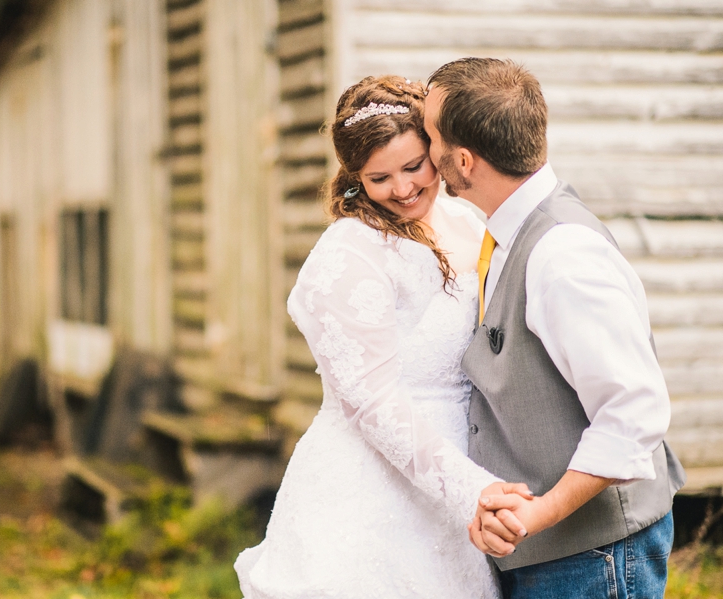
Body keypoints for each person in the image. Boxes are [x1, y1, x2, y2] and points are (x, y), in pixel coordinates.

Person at [234, 74, 530, 598]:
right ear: (354, 178)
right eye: (378, 178)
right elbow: (371, 401)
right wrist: (470, 491)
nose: (403, 189)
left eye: (414, 166)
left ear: (436, 151)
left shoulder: (466, 223)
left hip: (464, 475)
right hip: (374, 492)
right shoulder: (350, 252)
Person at [421, 57, 687, 598]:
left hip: (593, 559)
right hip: (560, 558)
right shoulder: (508, 232)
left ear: (464, 161)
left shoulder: (561, 256)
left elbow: (633, 414)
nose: (425, 154)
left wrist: (533, 519)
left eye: (429, 137)